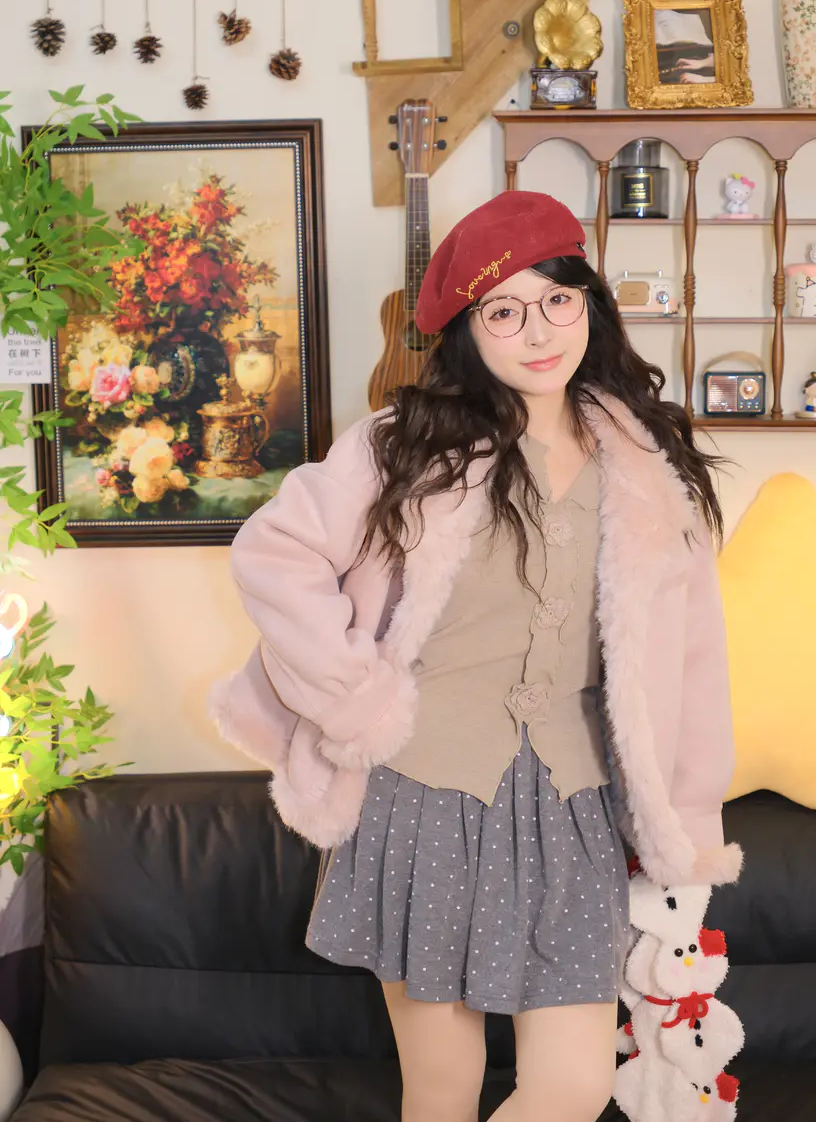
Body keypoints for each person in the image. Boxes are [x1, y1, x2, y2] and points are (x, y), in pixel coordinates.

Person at [209, 191, 742, 1122]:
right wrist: (356, 699)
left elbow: (694, 659)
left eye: (558, 300)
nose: (538, 331)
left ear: (590, 304)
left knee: (574, 1086)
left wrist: (687, 815)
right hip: (423, 794)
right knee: (442, 1089)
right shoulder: (404, 445)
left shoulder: (647, 465)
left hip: (575, 806)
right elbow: (274, 554)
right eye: (504, 311)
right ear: (467, 328)